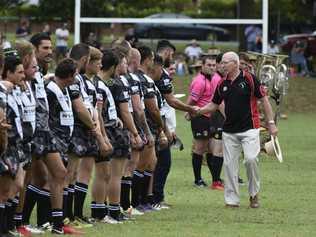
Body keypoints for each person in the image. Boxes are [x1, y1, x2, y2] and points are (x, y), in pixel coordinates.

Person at [198, 52, 278, 208]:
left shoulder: (249, 79)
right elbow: (213, 105)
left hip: (250, 129)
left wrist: (271, 123)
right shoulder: (222, 84)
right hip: (229, 131)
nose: (222, 66)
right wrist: (197, 110)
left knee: (250, 160)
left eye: (225, 63)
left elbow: (264, 100)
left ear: (235, 63)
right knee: (229, 166)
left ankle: (254, 194)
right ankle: (232, 200)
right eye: (221, 63)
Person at [186, 55, 224, 189]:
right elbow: (191, 100)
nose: (212, 67)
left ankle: (216, 178)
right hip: (200, 118)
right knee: (199, 148)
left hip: (210, 118)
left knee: (210, 149)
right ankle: (197, 179)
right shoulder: (200, 81)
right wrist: (188, 111)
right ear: (202, 66)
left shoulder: (213, 79)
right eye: (209, 65)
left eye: (214, 65)